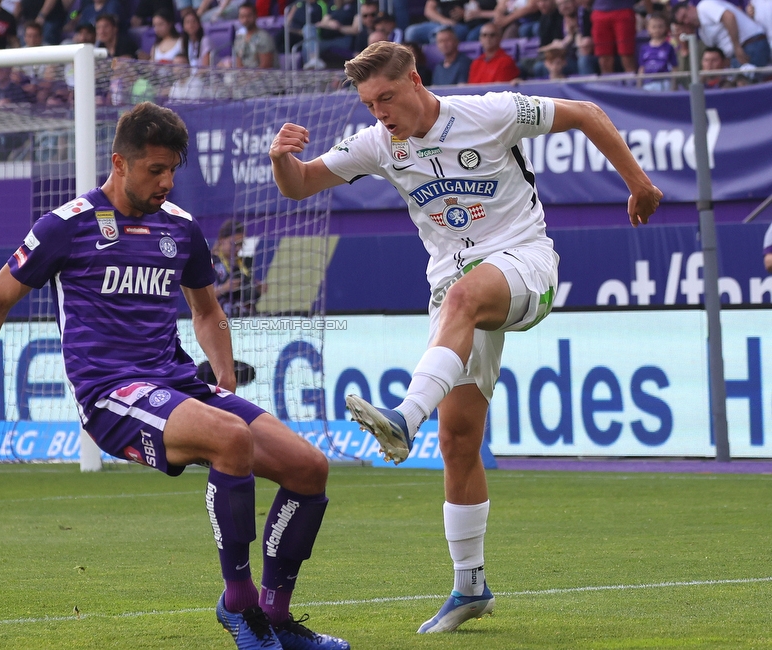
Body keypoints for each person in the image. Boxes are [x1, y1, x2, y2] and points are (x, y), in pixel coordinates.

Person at [268, 40, 661, 634]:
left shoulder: (489, 111)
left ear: (416, 80)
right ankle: (470, 585)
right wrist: (280, 159)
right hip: (454, 291)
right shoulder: (378, 144)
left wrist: (639, 184)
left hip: (525, 263)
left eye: (388, 98)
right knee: (458, 438)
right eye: (370, 103)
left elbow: (586, 114)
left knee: (464, 293)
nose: (380, 113)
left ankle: (404, 417)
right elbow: (298, 186)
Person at [0, 102, 349, 650]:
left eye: (174, 169)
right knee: (231, 440)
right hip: (110, 393)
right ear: (119, 163)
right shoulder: (65, 226)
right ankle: (240, 605)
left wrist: (222, 375)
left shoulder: (180, 227)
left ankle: (277, 618)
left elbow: (206, 312)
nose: (167, 181)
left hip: (177, 383)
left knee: (309, 467)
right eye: (155, 169)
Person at [675, 0, 770, 68]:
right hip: (736, 55)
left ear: (690, 8)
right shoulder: (702, 32)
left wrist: (736, 47)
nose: (686, 21)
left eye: (685, 16)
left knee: (746, 84)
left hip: (751, 44)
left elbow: (729, 17)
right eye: (683, 22)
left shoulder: (704, 6)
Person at [212, 219, 266, 317]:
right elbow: (201, 297)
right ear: (221, 241)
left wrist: (258, 289)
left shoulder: (245, 263)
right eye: (234, 244)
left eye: (241, 244)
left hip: (245, 317)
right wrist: (223, 289)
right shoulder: (210, 261)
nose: (238, 248)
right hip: (220, 318)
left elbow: (247, 297)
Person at [590, 0, 638, 73]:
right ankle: (607, 83)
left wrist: (650, 13)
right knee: (604, 56)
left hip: (623, 10)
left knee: (626, 54)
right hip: (599, 12)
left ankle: (632, 82)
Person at [638, 12, 677, 90]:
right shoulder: (644, 48)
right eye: (654, 27)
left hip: (664, 83)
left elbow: (674, 67)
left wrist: (674, 85)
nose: (657, 30)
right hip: (648, 84)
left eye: (660, 26)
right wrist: (639, 85)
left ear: (665, 27)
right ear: (648, 28)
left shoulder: (669, 47)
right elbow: (642, 68)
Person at [405, 0, 471, 44]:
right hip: (439, 24)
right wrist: (444, 20)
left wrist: (464, 13)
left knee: (444, 34)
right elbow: (428, 11)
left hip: (459, 26)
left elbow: (477, 9)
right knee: (411, 32)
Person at [233, 2, 276, 68]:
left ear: (256, 16)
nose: (245, 19)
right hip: (244, 76)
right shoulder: (239, 38)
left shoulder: (263, 37)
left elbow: (265, 66)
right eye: (242, 16)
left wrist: (249, 78)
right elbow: (239, 65)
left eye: (248, 16)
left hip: (263, 77)